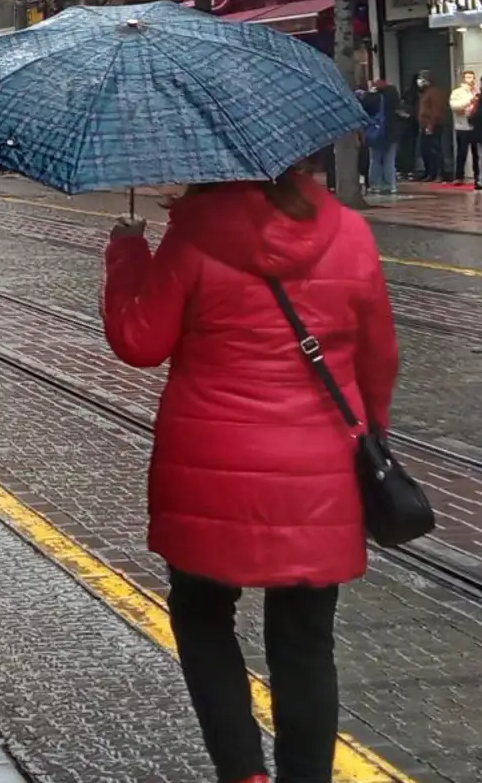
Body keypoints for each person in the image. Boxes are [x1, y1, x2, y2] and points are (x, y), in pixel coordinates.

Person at [101, 169, 399, 783]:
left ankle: (244, 774)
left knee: (203, 615)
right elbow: (379, 356)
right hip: (319, 468)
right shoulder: (350, 232)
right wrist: (373, 438)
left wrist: (127, 251)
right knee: (306, 642)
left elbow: (138, 340)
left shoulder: (191, 239)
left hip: (208, 465)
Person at [363, 79, 403, 194]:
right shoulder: (393, 96)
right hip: (391, 132)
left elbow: (365, 108)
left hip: (375, 131)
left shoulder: (373, 98)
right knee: (389, 160)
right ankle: (390, 184)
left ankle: (376, 184)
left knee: (375, 159)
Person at [416, 70, 447, 182]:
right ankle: (430, 172)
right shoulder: (426, 93)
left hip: (433, 125)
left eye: (422, 79)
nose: (419, 81)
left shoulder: (434, 93)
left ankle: (438, 173)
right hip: (425, 125)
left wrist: (430, 125)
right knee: (426, 150)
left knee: (435, 149)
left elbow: (436, 111)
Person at [449, 70, 479, 185]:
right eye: (467, 77)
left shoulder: (477, 91)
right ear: (463, 79)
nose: (470, 79)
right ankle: (459, 176)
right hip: (462, 127)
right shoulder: (457, 92)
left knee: (477, 153)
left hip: (475, 127)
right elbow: (455, 106)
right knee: (462, 152)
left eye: (472, 77)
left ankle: (478, 176)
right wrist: (469, 102)